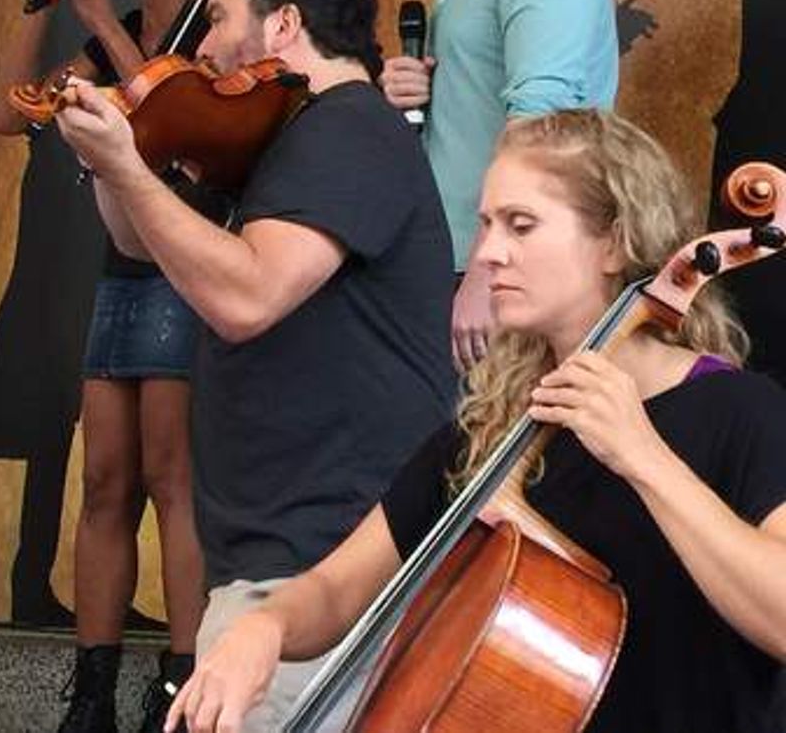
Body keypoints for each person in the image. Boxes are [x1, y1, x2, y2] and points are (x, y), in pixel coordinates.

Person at [166, 110, 786, 733]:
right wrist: (263, 626)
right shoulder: (491, 433)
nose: (487, 253)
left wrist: (642, 455)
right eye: (486, 225)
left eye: (521, 225)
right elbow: (335, 590)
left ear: (615, 242)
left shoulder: (738, 412)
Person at [57, 0, 457, 731]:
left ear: (283, 25)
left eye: (220, 16)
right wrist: (115, 160)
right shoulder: (277, 140)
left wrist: (131, 168)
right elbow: (145, 238)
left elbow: (247, 298)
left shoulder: (347, 128)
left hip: (320, 557)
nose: (204, 45)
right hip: (273, 553)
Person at [0, 0, 220, 733]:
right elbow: (15, 117)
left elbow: (178, 127)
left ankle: (181, 684)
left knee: (172, 480)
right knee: (104, 482)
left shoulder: (214, 23)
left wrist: (94, 20)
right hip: (120, 268)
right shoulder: (114, 24)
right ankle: (91, 690)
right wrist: (39, 2)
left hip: (188, 261)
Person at [382, 0, 619, 374]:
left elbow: (543, 119)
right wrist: (424, 91)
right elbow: (491, 93)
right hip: (458, 252)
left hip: (507, 270)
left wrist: (491, 271)